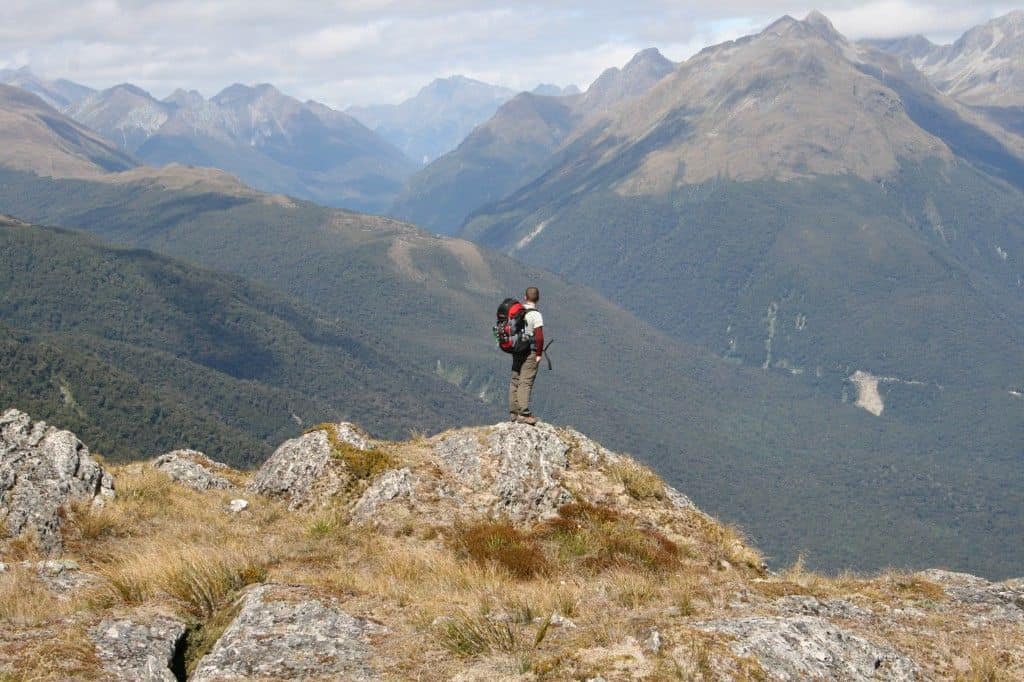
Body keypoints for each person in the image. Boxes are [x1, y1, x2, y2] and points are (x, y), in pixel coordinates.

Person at [509, 286, 544, 425]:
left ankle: (513, 412)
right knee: (526, 381)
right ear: (538, 298)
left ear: (525, 297)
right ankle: (523, 413)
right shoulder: (536, 315)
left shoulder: (517, 311)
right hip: (530, 351)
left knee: (515, 379)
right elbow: (539, 337)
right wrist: (539, 354)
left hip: (517, 349)